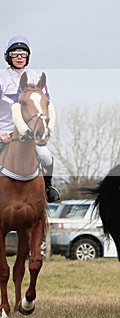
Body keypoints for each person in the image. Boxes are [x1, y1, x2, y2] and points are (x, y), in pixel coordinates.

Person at [0, 36, 60, 202]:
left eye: (23, 53)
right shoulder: (1, 78)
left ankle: (48, 187)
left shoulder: (36, 77)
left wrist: (43, 129)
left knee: (46, 156)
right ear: (8, 56)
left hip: (29, 134)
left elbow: (45, 106)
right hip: (4, 131)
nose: (19, 56)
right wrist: (0, 132)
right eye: (15, 53)